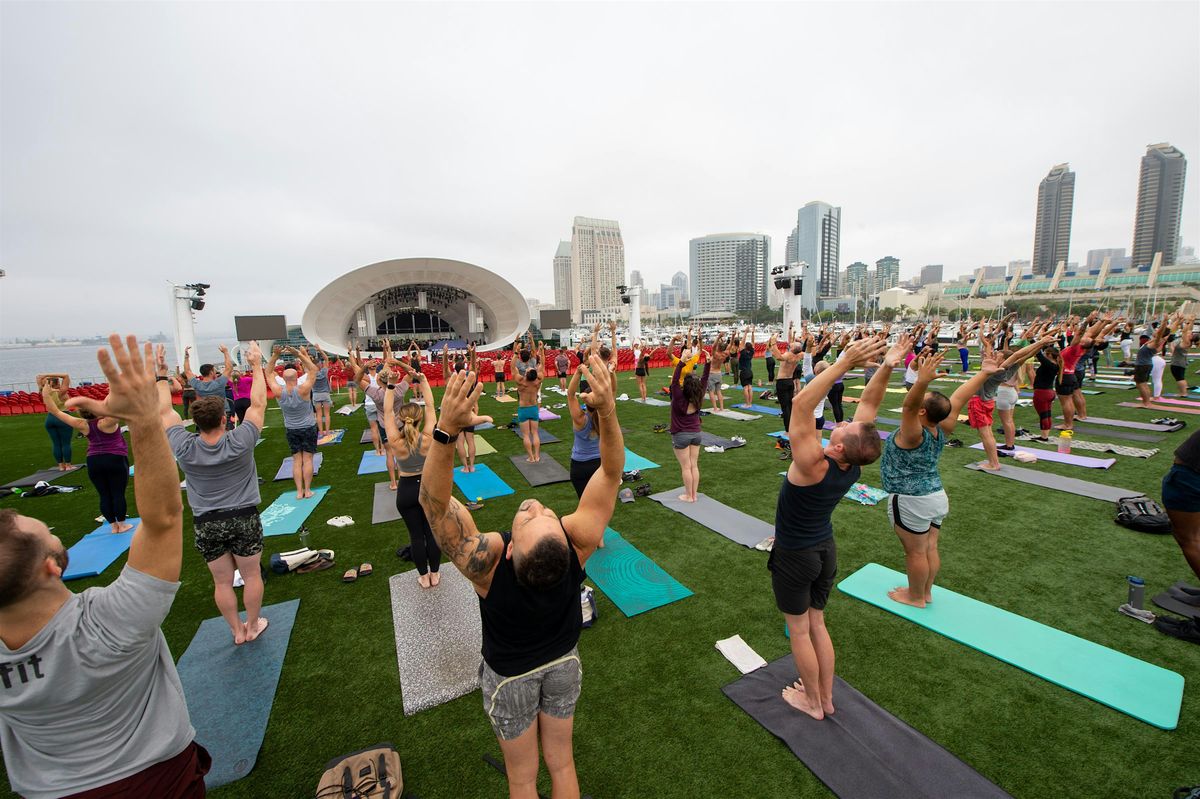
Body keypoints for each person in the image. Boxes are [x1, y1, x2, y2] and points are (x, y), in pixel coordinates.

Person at [0, 335, 211, 798]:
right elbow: (162, 519)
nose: (50, 529)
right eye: (46, 530)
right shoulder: (110, 623)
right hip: (156, 780)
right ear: (53, 566)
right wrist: (143, 418)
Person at [418, 355, 621, 799]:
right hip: (564, 663)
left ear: (507, 549)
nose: (536, 506)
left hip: (510, 679)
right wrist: (606, 411)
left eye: (536, 515)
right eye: (546, 513)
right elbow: (610, 472)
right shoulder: (578, 543)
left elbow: (433, 504)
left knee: (524, 779)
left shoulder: (487, 566)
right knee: (562, 764)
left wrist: (445, 431)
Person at [773, 334, 892, 720]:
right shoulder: (853, 461)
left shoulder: (812, 463)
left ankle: (812, 702)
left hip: (796, 555)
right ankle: (824, 698)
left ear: (839, 447)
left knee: (800, 631)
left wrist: (843, 362)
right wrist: (886, 364)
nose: (842, 424)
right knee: (817, 623)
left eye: (843, 430)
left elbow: (802, 403)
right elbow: (870, 405)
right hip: (825, 550)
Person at [882, 345, 1004, 609]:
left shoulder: (913, 434)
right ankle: (924, 592)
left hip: (911, 499)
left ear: (923, 412)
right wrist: (983, 374)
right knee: (929, 548)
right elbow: (958, 398)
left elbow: (908, 406)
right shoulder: (942, 428)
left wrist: (922, 380)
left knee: (915, 551)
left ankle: (915, 597)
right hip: (935, 497)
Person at [166, 341, 270, 646]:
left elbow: (166, 414)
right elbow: (259, 404)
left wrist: (161, 377)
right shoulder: (240, 441)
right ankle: (252, 625)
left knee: (222, 581)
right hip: (243, 516)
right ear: (224, 419)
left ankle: (237, 630)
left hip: (206, 521)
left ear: (195, 422)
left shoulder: (184, 446)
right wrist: (254, 364)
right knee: (251, 576)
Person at [383, 363, 452, 589]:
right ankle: (434, 573)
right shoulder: (427, 437)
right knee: (432, 533)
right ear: (419, 418)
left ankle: (423, 577)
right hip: (427, 489)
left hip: (406, 491)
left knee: (415, 536)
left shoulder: (395, 441)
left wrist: (391, 386)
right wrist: (422, 381)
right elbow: (431, 405)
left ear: (402, 420)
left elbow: (385, 412)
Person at [42, 384, 133, 534]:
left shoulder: (82, 424)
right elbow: (120, 407)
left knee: (104, 494)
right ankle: (122, 525)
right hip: (115, 459)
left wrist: (46, 395)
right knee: (117, 493)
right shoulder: (108, 422)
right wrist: (114, 390)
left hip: (94, 461)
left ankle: (113, 526)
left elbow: (55, 411)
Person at [969, 335, 1054, 470]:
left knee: (985, 435)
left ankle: (993, 464)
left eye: (998, 355)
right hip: (988, 402)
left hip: (979, 402)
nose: (995, 356)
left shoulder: (1000, 369)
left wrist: (1041, 342)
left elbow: (1018, 355)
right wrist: (1039, 345)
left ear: (1004, 360)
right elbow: (1025, 356)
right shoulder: (1010, 368)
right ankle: (994, 461)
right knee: (988, 433)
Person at [268, 346, 320, 499]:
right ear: (297, 377)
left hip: (291, 429)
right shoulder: (303, 390)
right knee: (308, 459)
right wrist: (298, 354)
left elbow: (268, 373)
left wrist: (275, 356)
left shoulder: (278, 392)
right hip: (308, 427)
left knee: (297, 460)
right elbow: (313, 370)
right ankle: (308, 490)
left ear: (284, 379)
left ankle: (299, 492)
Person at [669, 343, 710, 503]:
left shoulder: (678, 396)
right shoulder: (699, 396)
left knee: (686, 467)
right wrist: (708, 363)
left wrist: (682, 361)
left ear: (684, 385)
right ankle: (693, 495)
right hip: (696, 434)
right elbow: (705, 379)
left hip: (681, 435)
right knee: (694, 465)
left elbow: (674, 379)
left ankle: (689, 496)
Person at [566, 360, 605, 498]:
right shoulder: (605, 418)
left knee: (585, 506)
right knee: (599, 504)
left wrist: (578, 372)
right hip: (599, 464)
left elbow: (570, 395)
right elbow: (608, 391)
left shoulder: (580, 419)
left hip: (580, 466)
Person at [36, 372, 76, 471]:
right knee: (66, 443)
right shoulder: (61, 392)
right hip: (63, 417)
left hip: (50, 418)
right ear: (58, 382)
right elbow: (66, 375)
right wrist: (46, 374)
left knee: (56, 444)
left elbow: (39, 380)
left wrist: (43, 378)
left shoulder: (44, 391)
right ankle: (68, 465)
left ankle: (60, 466)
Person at [517, 340, 547, 464]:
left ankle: (531, 457)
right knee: (535, 433)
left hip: (523, 409)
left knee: (526, 435)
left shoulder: (521, 383)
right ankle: (537, 456)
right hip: (534, 408)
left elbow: (513, 367)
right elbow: (543, 364)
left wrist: (516, 350)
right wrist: (542, 350)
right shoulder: (537, 382)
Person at [1135, 316, 1169, 408]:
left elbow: (1160, 333)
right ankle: (1146, 402)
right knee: (1143, 384)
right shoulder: (1156, 341)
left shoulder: (1156, 342)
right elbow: (1166, 332)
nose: (1156, 331)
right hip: (1145, 364)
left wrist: (1164, 322)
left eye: (1158, 331)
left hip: (1142, 365)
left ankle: (1146, 403)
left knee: (1142, 384)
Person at [1031, 341, 1062, 441]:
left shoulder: (1048, 364)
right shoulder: (1055, 365)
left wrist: (1033, 341)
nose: (1044, 354)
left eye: (1046, 353)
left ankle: (1044, 436)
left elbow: (1038, 354)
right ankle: (1045, 435)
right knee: (1047, 414)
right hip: (1049, 392)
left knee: (1043, 415)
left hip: (1042, 393)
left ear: (1049, 355)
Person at [1169, 314, 1196, 397]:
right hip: (1181, 362)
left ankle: (1183, 393)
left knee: (1179, 378)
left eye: (1190, 335)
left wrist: (1187, 323)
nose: (1189, 333)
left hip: (1177, 363)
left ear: (1191, 338)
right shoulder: (1188, 342)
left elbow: (1184, 331)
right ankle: (1183, 392)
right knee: (1180, 377)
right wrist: (1191, 321)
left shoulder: (1186, 342)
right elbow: (1189, 330)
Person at [310, 347, 333, 434]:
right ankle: (327, 431)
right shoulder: (324, 371)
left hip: (316, 394)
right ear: (320, 365)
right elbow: (326, 358)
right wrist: (319, 349)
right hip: (325, 394)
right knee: (327, 414)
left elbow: (304, 363)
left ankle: (321, 431)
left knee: (318, 414)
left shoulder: (311, 373)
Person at [707, 332, 731, 411]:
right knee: (719, 391)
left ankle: (715, 408)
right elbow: (729, 346)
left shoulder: (715, 354)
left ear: (718, 347)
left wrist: (718, 337)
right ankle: (721, 408)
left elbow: (713, 346)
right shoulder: (725, 354)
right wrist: (733, 336)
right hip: (719, 373)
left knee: (711, 391)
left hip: (712, 373)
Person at [737, 326, 757, 408]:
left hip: (744, 372)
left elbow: (742, 342)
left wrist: (745, 332)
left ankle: (747, 404)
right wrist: (752, 333)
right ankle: (750, 403)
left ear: (745, 347)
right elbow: (753, 342)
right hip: (749, 372)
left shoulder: (743, 352)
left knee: (745, 388)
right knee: (750, 387)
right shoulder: (752, 352)